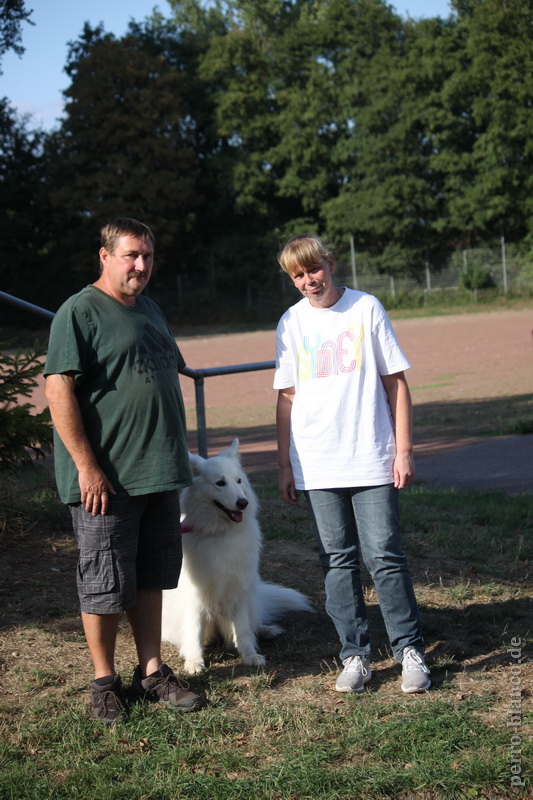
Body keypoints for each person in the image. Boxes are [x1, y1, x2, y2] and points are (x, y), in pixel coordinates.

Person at [44, 218, 205, 724]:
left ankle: (151, 672)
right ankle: (104, 682)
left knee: (152, 576)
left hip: (158, 471)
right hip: (107, 480)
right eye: (131, 255)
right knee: (103, 583)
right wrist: (87, 467)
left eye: (148, 256)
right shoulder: (79, 311)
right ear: (105, 256)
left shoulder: (151, 309)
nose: (141, 265)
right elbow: (57, 390)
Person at [273, 233, 431, 694]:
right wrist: (284, 465)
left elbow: (396, 383)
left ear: (330, 263)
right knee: (337, 561)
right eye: (298, 275)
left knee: (384, 555)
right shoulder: (291, 322)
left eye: (313, 269)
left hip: (370, 456)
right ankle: (355, 655)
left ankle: (409, 650)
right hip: (316, 462)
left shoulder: (365, 308)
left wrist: (403, 449)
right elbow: (287, 397)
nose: (308, 280)